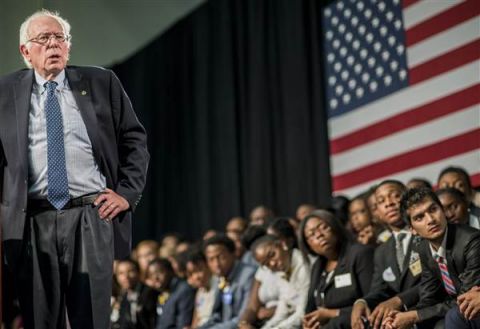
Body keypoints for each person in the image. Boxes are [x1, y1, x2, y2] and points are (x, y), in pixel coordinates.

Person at [0, 9, 149, 329]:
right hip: (32, 220)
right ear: (25, 50)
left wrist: (127, 193)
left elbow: (134, 140)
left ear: (68, 46)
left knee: (92, 317)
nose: (53, 44)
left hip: (90, 214)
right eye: (43, 38)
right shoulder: (5, 91)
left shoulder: (101, 81)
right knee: (40, 317)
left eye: (60, 38)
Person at [381, 187, 480, 329]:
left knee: (448, 320)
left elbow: (467, 301)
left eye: (433, 210)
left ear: (443, 211)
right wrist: (401, 318)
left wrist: (413, 317)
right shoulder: (423, 248)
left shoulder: (471, 241)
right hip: (456, 312)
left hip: (472, 310)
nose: (431, 220)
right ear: (413, 230)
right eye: (419, 217)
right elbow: (428, 297)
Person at [350, 180, 422, 329]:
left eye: (395, 195)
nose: (389, 203)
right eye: (381, 201)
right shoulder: (381, 251)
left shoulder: (426, 232)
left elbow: (437, 278)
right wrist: (361, 302)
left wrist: (398, 300)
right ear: (377, 213)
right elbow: (379, 290)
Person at [299, 209, 374, 328]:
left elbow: (373, 302)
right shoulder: (317, 266)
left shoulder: (360, 254)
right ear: (308, 245)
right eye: (312, 234)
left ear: (335, 227)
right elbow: (310, 307)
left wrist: (330, 314)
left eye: (323, 227)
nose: (319, 235)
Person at [245, 234, 310, 329]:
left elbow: (302, 314)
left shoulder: (303, 265)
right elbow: (282, 311)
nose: (272, 263)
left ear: (282, 244)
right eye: (266, 264)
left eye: (272, 255)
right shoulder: (281, 272)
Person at [199, 235, 256, 329]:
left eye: (220, 257)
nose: (216, 264)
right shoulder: (219, 278)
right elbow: (217, 315)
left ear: (233, 253)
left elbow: (243, 318)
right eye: (211, 259)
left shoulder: (248, 275)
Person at [111, 259, 158, 329]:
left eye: (130, 271)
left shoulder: (149, 293)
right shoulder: (123, 297)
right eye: (121, 273)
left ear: (139, 272)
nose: (126, 276)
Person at [186, 250, 216, 329]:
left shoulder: (219, 286)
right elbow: (196, 321)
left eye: (199, 270)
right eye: (191, 273)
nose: (196, 277)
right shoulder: (199, 292)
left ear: (208, 266)